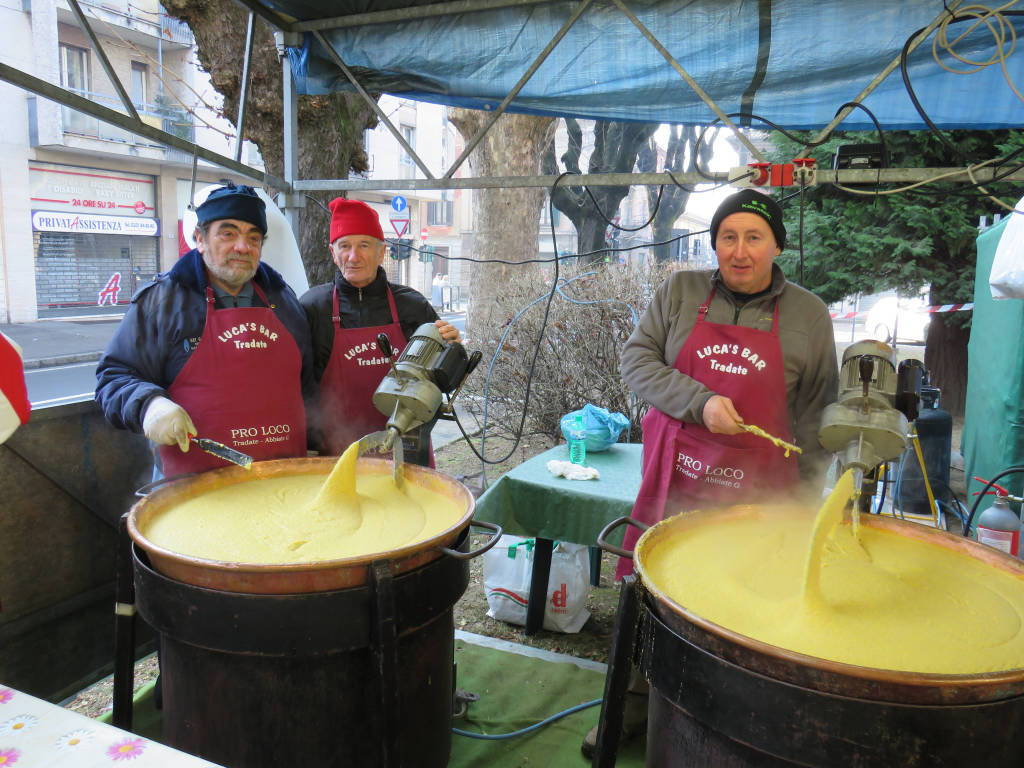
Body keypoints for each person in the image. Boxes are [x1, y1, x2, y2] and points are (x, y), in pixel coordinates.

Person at [582, 189, 839, 758]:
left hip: (758, 497)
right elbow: (637, 360)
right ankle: (629, 705)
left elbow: (819, 416)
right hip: (675, 477)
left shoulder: (808, 314)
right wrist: (701, 402)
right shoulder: (681, 292)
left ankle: (726, 724)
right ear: (715, 242)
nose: (739, 251)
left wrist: (800, 505)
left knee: (738, 607)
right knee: (650, 594)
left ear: (777, 245)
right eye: (728, 237)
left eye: (754, 238)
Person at [96, 183, 315, 477]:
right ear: (200, 238)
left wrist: (317, 442)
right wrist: (148, 404)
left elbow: (308, 389)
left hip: (284, 477)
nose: (242, 247)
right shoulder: (163, 302)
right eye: (228, 234)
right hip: (193, 486)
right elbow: (114, 377)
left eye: (253, 237)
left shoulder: (284, 300)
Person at [300, 198, 459, 458]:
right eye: (345, 246)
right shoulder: (313, 308)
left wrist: (453, 352)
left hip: (407, 452)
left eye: (364, 245)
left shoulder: (412, 306)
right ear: (332, 252)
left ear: (381, 251)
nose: (354, 256)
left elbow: (443, 381)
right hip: (339, 455)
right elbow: (300, 388)